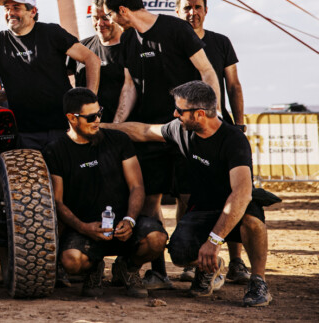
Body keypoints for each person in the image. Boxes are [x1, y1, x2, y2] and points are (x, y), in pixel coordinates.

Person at [104, 80, 272, 307]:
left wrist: (214, 240)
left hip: (234, 207)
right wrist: (101, 127)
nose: (175, 113)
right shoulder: (179, 129)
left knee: (253, 222)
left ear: (200, 114)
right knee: (179, 253)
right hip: (201, 207)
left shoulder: (233, 139)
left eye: (180, 110)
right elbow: (143, 131)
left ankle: (258, 282)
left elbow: (241, 194)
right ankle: (209, 268)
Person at [99, 0, 218, 288]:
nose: (109, 21)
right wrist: (116, 125)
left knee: (190, 198)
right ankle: (159, 272)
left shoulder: (176, 29)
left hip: (186, 131)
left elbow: (207, 70)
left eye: (110, 14)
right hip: (148, 133)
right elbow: (129, 86)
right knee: (149, 201)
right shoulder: (127, 40)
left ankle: (200, 271)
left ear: (122, 10)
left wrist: (208, 116)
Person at [44, 88, 167, 298]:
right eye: (91, 117)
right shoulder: (55, 150)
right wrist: (84, 227)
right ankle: (93, 269)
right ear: (71, 118)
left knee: (157, 239)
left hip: (122, 224)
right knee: (71, 261)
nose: (98, 120)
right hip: (85, 229)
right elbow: (57, 201)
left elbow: (137, 186)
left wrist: (129, 220)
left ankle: (127, 268)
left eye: (99, 113)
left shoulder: (118, 140)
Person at [0, 0, 100, 150]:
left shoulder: (51, 33)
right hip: (27, 134)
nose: (10, 13)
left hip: (64, 128)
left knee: (72, 175)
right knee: (35, 176)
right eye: (7, 9)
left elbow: (91, 59)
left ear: (33, 11)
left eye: (16, 8)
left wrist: (90, 101)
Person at [175, 0, 250, 285]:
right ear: (177, 12)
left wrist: (239, 125)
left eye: (197, 7)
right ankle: (191, 259)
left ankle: (236, 262)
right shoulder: (173, 44)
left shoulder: (221, 42)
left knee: (229, 193)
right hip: (185, 131)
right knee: (184, 193)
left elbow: (233, 85)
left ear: (206, 10)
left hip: (219, 128)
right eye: (186, 8)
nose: (192, 12)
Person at [67, 0, 128, 123]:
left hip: (123, 127)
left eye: (105, 18)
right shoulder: (82, 47)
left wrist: (117, 124)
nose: (100, 23)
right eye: (95, 18)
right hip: (88, 127)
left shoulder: (131, 46)